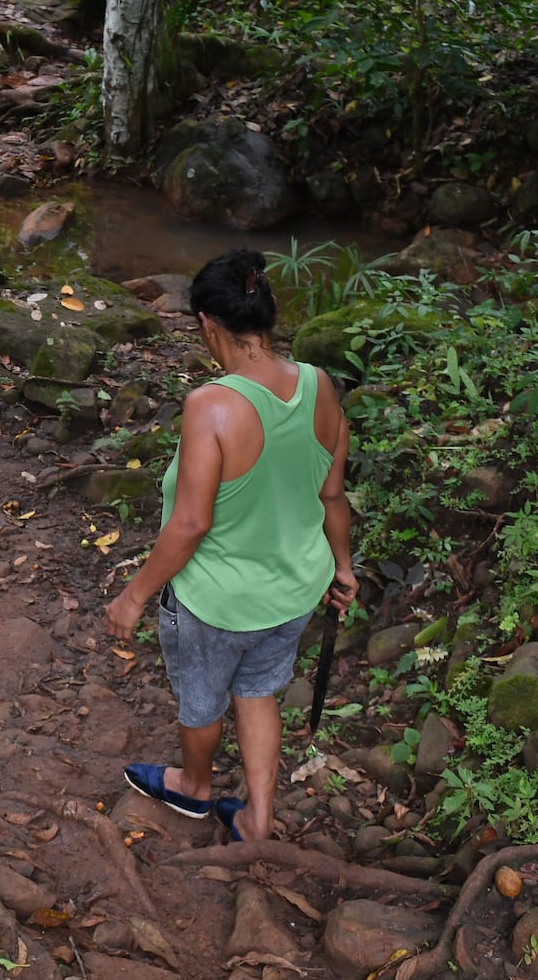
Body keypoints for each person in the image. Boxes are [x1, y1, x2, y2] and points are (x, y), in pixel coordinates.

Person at [103, 247, 356, 841]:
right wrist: (343, 567)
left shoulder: (211, 406)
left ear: (209, 326)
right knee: (260, 691)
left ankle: (193, 790)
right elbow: (333, 497)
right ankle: (258, 818)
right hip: (295, 590)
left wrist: (134, 597)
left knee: (202, 700)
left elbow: (190, 525)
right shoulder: (321, 387)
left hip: (216, 603)